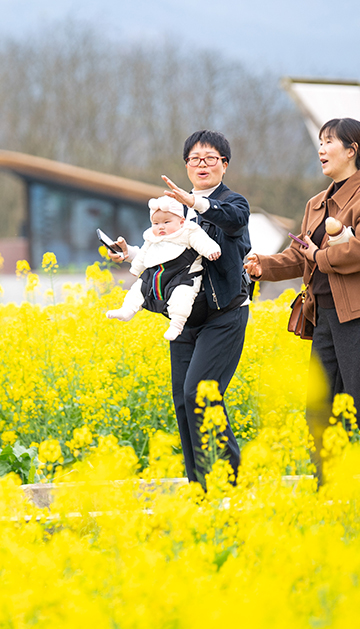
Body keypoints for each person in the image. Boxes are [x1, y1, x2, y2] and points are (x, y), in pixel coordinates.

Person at [243, 117, 360, 473]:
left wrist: (317, 256)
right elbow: (301, 254)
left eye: (329, 142)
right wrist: (263, 265)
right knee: (320, 408)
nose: (321, 149)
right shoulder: (316, 203)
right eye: (321, 142)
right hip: (324, 314)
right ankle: (330, 485)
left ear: (352, 150)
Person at [109, 130, 251, 488]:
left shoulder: (233, 204)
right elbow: (166, 256)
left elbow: (232, 223)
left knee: (199, 393)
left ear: (225, 165)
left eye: (210, 158)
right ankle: (200, 488)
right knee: (183, 402)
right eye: (194, 159)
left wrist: (198, 202)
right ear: (186, 165)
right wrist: (128, 254)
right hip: (187, 318)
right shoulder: (173, 211)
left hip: (223, 316)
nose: (202, 164)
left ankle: (228, 483)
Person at [106, 195, 222, 341]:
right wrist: (135, 269)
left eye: (166, 222)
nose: (161, 227)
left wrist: (211, 250)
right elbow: (143, 254)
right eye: (156, 223)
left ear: (181, 221)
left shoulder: (188, 231)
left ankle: (177, 324)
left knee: (182, 297)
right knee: (138, 288)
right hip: (157, 274)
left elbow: (202, 241)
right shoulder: (152, 237)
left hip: (184, 276)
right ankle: (127, 310)